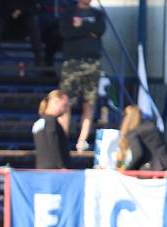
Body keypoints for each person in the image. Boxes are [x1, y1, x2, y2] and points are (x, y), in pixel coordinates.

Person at [58, 0, 105, 152]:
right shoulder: (68, 12)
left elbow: (100, 30)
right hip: (72, 61)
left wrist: (81, 26)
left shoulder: (97, 13)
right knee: (65, 101)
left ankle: (82, 140)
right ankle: (63, 139)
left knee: (89, 102)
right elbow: (66, 32)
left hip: (92, 62)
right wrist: (88, 32)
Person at [0, 0, 44, 69]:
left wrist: (20, 10)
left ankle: (39, 61)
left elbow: (31, 4)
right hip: (4, 11)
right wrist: (13, 11)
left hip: (24, 12)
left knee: (33, 24)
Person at [117, 105, 167, 171]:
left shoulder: (133, 133)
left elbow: (138, 154)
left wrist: (126, 169)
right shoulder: (151, 126)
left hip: (155, 169)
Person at [32, 89, 70, 169]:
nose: (66, 109)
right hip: (54, 170)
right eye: (65, 105)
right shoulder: (51, 122)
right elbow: (53, 145)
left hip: (41, 168)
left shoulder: (39, 122)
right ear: (56, 102)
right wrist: (61, 166)